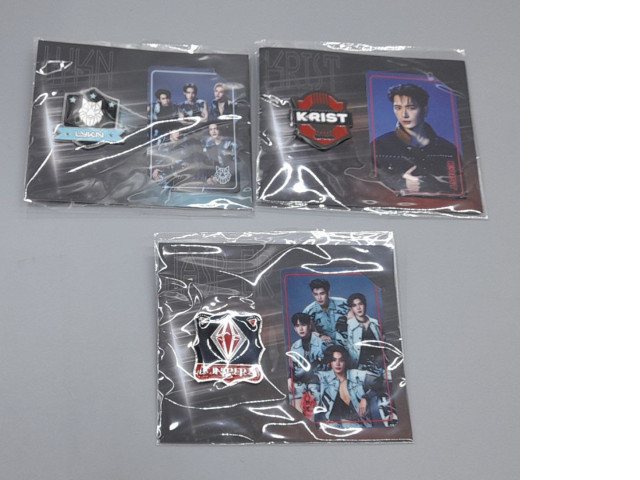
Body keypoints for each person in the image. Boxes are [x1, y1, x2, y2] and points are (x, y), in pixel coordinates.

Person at [372, 83, 463, 195]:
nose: (404, 114)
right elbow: (368, 186)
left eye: (411, 108)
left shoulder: (448, 149)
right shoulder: (379, 146)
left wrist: (430, 184)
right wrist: (403, 184)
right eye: (398, 108)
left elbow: (459, 189)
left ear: (424, 110)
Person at [314, 345, 383, 428]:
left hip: (359, 426)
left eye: (341, 360)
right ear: (329, 362)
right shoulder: (324, 377)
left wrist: (365, 397)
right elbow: (305, 378)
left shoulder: (356, 375)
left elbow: (381, 382)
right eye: (334, 360)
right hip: (334, 426)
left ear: (345, 361)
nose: (337, 364)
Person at [287, 313, 327, 418]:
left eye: (303, 325)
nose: (301, 329)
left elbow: (328, 365)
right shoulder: (295, 347)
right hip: (301, 382)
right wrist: (289, 378)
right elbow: (292, 367)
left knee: (317, 398)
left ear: (309, 326)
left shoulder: (321, 343)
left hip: (318, 381)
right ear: (294, 328)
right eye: (297, 326)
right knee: (293, 398)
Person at [341, 293, 385, 373]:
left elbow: (384, 344)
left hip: (380, 365)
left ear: (365, 305)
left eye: (360, 304)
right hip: (359, 368)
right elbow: (344, 347)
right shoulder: (348, 325)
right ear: (351, 309)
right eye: (354, 305)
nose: (358, 308)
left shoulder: (375, 323)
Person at [302, 278, 349, 344]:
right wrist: (320, 336)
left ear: (328, 293)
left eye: (322, 293)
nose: (319, 298)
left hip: (348, 344)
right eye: (316, 294)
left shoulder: (344, 304)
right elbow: (305, 332)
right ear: (313, 294)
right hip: (325, 346)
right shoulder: (308, 312)